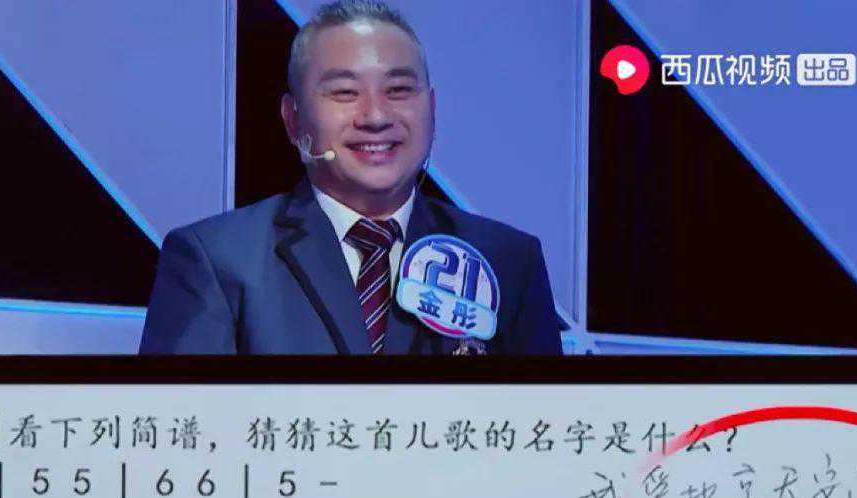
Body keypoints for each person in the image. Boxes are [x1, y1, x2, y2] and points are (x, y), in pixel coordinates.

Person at [140, 0, 561, 354]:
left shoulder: (508, 261)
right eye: (345, 92)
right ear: (293, 119)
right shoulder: (217, 258)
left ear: (432, 109)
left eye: (399, 90)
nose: (376, 117)